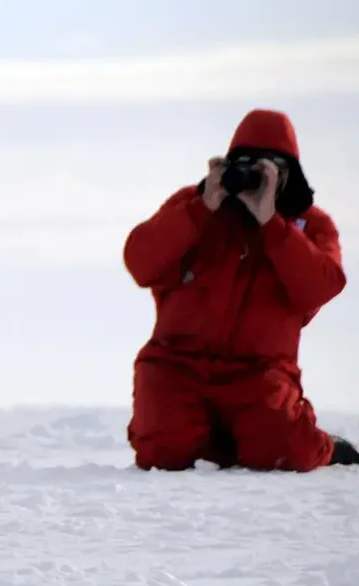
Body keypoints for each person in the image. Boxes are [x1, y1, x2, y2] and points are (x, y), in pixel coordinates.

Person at [123, 107, 357, 472]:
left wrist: (271, 224)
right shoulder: (194, 205)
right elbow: (140, 262)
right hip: (176, 363)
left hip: (259, 372)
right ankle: (220, 438)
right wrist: (202, 207)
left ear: (287, 174)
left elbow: (320, 287)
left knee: (282, 454)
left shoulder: (310, 225)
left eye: (266, 170)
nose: (253, 178)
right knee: (162, 454)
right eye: (245, 166)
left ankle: (321, 446)